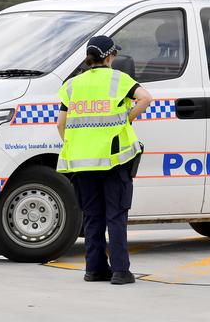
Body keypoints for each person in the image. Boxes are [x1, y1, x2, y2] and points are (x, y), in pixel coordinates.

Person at [57, 35, 152, 284]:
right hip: (114, 160)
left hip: (81, 162)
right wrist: (126, 118)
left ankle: (95, 269)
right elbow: (146, 98)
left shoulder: (72, 85)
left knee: (92, 216)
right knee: (116, 215)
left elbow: (61, 124)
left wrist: (77, 142)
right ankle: (120, 271)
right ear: (109, 56)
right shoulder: (119, 80)